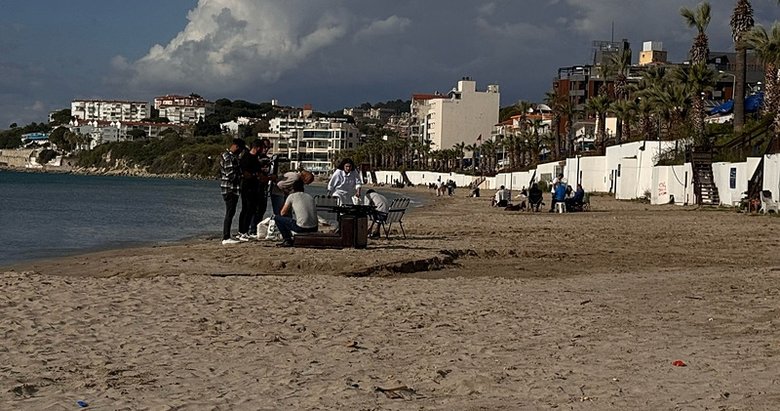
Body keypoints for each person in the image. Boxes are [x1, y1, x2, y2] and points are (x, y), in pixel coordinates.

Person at [273, 178, 318, 247]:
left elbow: (282, 213)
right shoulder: (309, 196)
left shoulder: (292, 196)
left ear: (293, 189)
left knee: (277, 218)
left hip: (302, 228)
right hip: (314, 228)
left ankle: (287, 240)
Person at [236, 139, 264, 241]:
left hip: (254, 186)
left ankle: (245, 230)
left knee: (251, 209)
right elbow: (245, 173)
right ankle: (242, 231)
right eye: (262, 148)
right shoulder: (247, 157)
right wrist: (254, 175)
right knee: (246, 209)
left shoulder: (255, 158)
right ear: (257, 148)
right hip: (247, 187)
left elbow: (258, 172)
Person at [219, 138, 245, 245]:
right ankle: (226, 237)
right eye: (240, 149)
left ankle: (227, 235)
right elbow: (231, 175)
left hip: (231, 188)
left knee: (231, 212)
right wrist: (242, 176)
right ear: (237, 147)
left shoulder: (231, 157)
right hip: (229, 188)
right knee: (230, 212)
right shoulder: (228, 157)